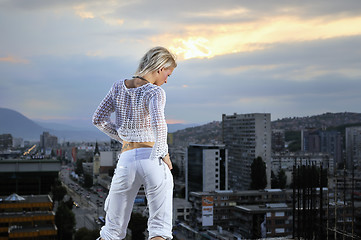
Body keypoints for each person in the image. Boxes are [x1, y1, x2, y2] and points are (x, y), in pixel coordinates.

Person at [92, 46, 177, 240]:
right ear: (160, 68)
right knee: (159, 229)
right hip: (152, 158)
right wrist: (165, 155)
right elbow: (159, 124)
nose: (166, 80)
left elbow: (98, 119)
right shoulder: (154, 92)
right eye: (168, 74)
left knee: (111, 231)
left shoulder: (117, 87)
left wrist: (124, 138)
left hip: (126, 160)